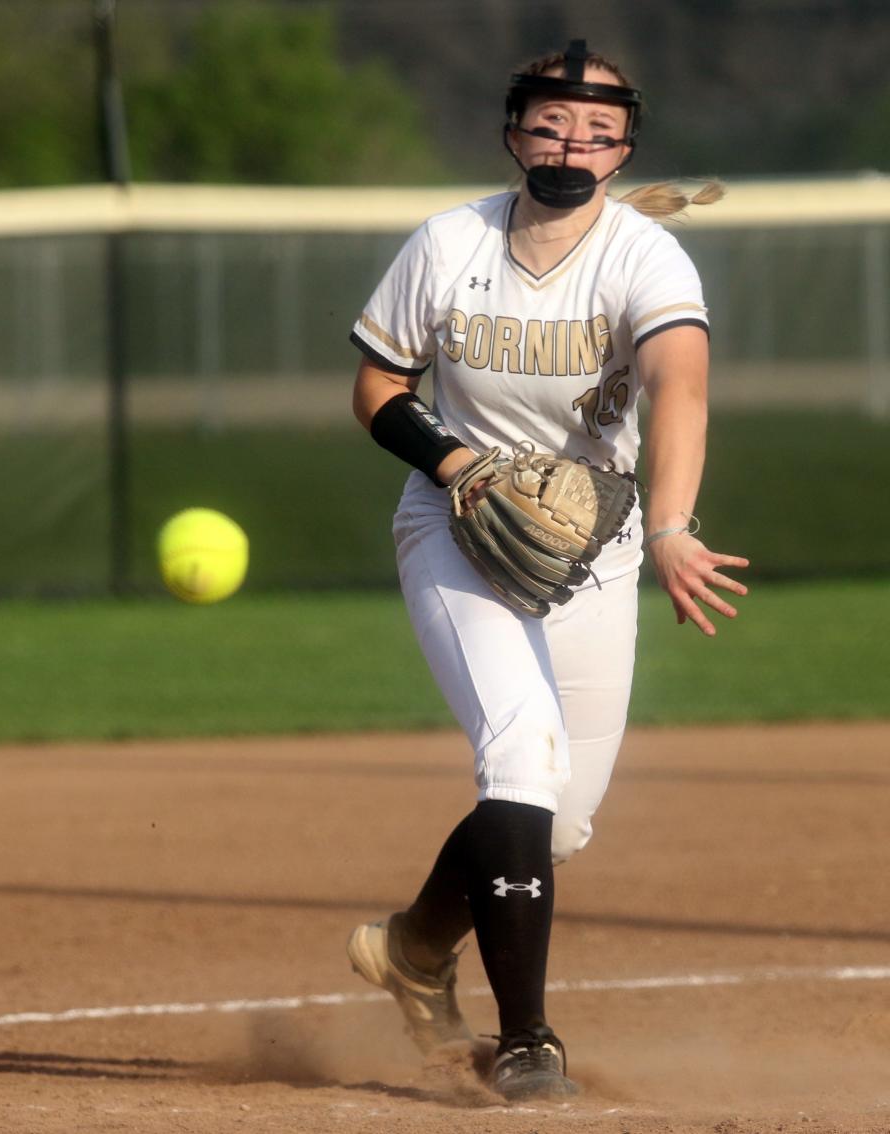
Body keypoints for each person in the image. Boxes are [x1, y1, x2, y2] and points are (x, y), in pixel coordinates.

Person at [345, 39, 748, 1103]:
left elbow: (681, 391)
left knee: (556, 820)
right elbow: (381, 386)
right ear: (512, 131)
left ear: (624, 152)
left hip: (597, 546)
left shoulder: (643, 257)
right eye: (551, 120)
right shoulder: (449, 242)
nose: (573, 140)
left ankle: (416, 946)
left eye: (598, 129)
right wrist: (461, 464)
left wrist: (668, 530)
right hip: (456, 526)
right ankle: (528, 1041)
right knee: (519, 753)